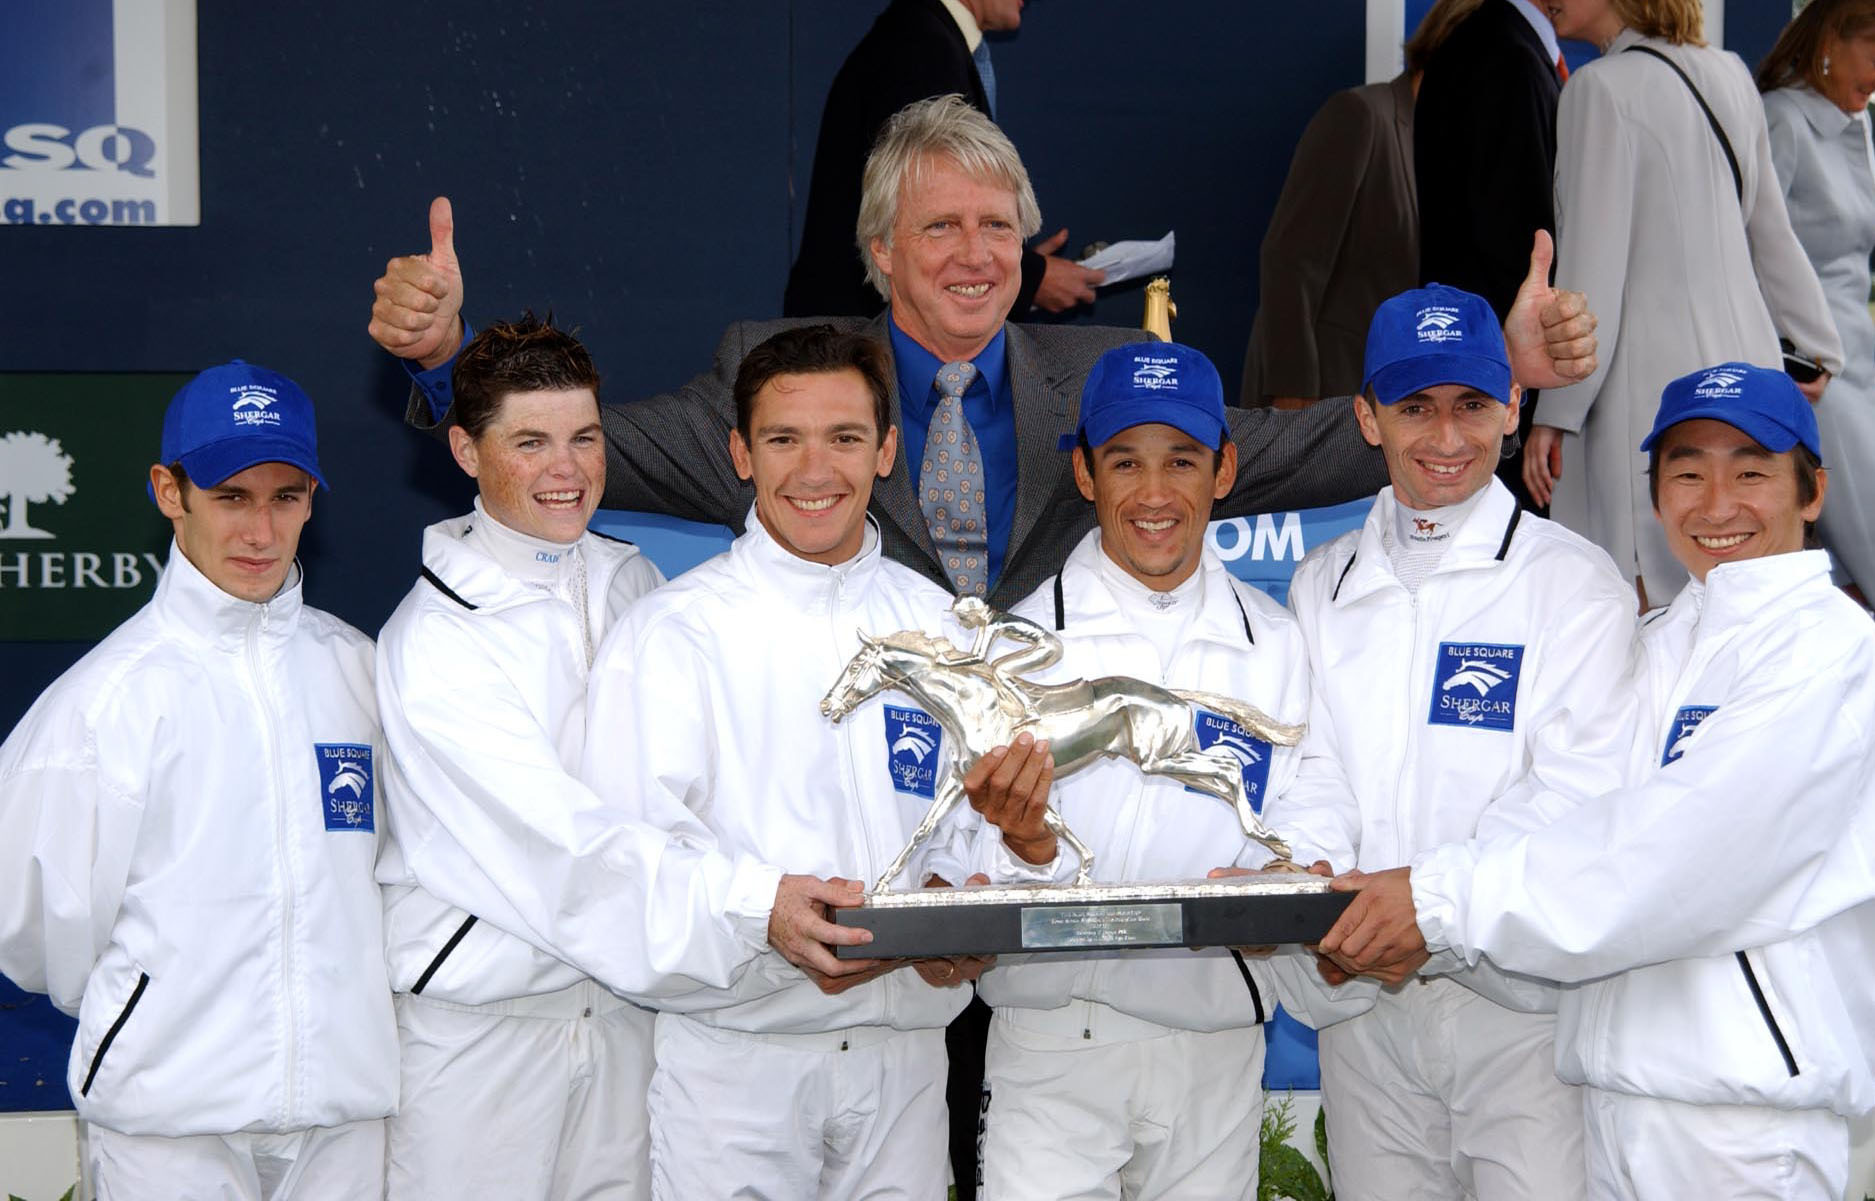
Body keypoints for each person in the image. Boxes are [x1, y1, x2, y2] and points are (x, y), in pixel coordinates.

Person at [365, 94, 1602, 610]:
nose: (974, 253)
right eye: (939, 227)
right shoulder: (779, 382)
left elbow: (1279, 450)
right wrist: (448, 359)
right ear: (879, 253)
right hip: (853, 817)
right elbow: (577, 453)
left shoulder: (1105, 379)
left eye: (997, 226)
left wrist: (1494, 368)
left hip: (1046, 812)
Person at [1321, 362, 1875, 1201]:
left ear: (1811, 489)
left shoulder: (1831, 652)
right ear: (1655, 496)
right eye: (1687, 472)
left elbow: (1683, 848)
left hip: (1745, 1123)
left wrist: (1434, 899)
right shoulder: (1664, 640)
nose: (1716, 502)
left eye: (1751, 470)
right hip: (1615, 1100)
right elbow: (1573, 816)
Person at [373, 317, 872, 1200]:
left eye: (584, 437)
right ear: (463, 448)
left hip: (629, 1023)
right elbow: (563, 841)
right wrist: (759, 902)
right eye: (530, 442)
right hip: (485, 1033)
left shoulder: (633, 580)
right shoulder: (432, 643)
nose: (566, 469)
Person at [960, 340, 1370, 1200]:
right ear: (1084, 472)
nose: (1153, 494)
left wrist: (1281, 878)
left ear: (1223, 469)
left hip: (1216, 1039)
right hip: (1055, 1042)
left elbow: (1317, 792)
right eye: (1124, 461)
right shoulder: (1015, 645)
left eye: (1180, 460)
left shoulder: (1275, 639)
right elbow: (961, 851)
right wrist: (1023, 843)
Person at [581, 325, 983, 1200]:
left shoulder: (944, 627)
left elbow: (969, 829)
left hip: (906, 1068)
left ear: (886, 451)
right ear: (738, 452)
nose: (813, 470)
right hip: (735, 1075)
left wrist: (960, 917)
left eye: (843, 438)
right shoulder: (673, 632)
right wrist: (764, 910)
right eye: (782, 439)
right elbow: (623, 857)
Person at [1270, 284, 1638, 1201]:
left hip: (1518, 1013)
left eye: (1471, 406)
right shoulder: (1320, 584)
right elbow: (1306, 770)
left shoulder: (1573, 583)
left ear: (1512, 410)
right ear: (1366, 417)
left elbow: (1574, 794)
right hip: (1363, 1008)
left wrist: (1425, 909)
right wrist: (1327, 902)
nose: (1445, 437)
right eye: (1415, 408)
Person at [0, 362, 397, 1197]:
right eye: (230, 496)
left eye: (284, 496)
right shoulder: (101, 703)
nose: (260, 529)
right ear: (168, 491)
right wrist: (156, 1012)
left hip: (345, 1121)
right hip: (166, 1128)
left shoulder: (361, 672)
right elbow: (34, 929)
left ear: (312, 500)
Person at [1521, 0, 1842, 607]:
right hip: (1747, 363)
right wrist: (1816, 345)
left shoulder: (1598, 88)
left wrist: (1556, 410)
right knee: (1745, 578)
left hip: (1641, 383)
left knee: (1647, 594)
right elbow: (1770, 230)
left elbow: (1592, 265)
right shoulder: (1727, 71)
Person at [783, 0, 1103, 319]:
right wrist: (1032, 277)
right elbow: (921, 204)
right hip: (854, 340)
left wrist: (1017, 269)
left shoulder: (923, 38)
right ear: (881, 250)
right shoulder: (920, 48)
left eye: (996, 225)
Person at [1241, 0, 1489, 408]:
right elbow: (1290, 263)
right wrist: (1293, 399)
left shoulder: (1450, 147)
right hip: (1321, 398)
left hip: (1392, 401)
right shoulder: (1361, 115)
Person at [1414, 0, 1567, 509]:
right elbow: (1514, 241)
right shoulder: (1503, 54)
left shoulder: (1499, 46)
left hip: (1493, 374)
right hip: (1498, 376)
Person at [1760, 0, 1875, 600]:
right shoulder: (1783, 119)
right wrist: (1791, 354)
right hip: (1814, 368)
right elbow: (1754, 246)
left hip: (1862, 352)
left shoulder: (1858, 122)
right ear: (1832, 39)